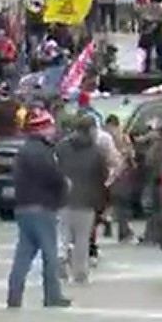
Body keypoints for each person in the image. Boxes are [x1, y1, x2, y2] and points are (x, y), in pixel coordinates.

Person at [6, 109, 71, 308]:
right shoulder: (42, 152)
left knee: (23, 254)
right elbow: (52, 176)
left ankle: (14, 295)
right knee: (49, 254)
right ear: (42, 129)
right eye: (49, 126)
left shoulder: (24, 150)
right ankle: (52, 296)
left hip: (24, 206)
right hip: (42, 206)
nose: (53, 130)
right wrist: (64, 184)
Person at [55, 116, 109, 284]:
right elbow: (102, 177)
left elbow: (55, 169)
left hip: (63, 198)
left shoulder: (61, 147)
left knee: (63, 234)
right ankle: (80, 273)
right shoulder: (96, 152)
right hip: (87, 200)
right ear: (90, 130)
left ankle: (60, 260)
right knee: (82, 240)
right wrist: (102, 204)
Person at [103, 114, 136, 242]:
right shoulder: (123, 137)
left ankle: (108, 221)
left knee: (111, 202)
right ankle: (124, 232)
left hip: (108, 173)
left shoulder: (104, 138)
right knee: (122, 203)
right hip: (121, 173)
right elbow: (130, 154)